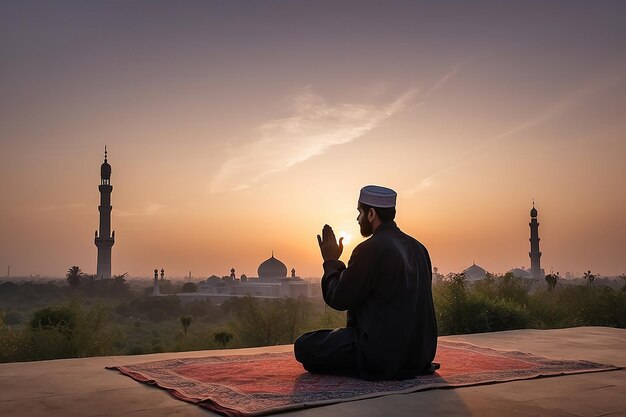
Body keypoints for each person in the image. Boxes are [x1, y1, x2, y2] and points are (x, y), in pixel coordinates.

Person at [294, 185, 438, 380]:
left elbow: (339, 298)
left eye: (359, 213)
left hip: (380, 354)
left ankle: (368, 370)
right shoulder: (419, 248)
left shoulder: (370, 248)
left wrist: (330, 261)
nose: (357, 219)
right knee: (324, 345)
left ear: (371, 214)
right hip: (418, 356)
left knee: (304, 346)